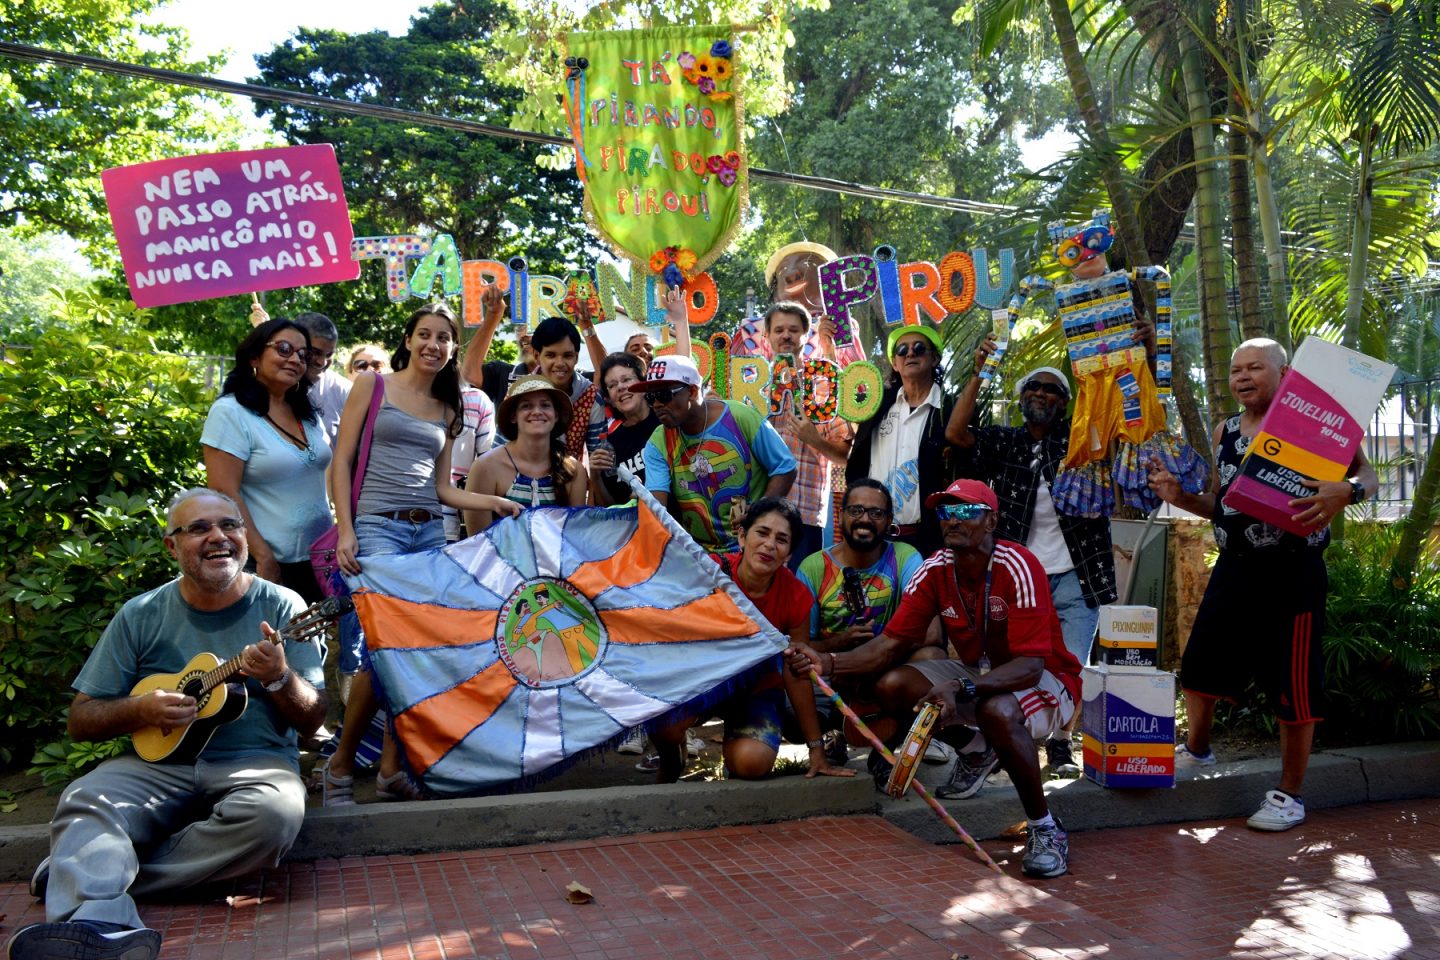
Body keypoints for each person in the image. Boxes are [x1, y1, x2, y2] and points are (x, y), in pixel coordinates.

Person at [6, 489, 326, 960]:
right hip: (157, 765)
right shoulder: (140, 614)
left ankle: (82, 874)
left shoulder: (283, 607)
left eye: (229, 526)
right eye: (199, 529)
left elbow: (313, 718)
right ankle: (100, 929)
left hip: (254, 765)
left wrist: (279, 677)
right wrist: (140, 711)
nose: (218, 537)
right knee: (86, 797)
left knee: (273, 818)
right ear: (171, 547)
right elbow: (81, 718)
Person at [789, 479, 1082, 879]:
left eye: (965, 511)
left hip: (1045, 677)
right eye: (946, 512)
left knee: (997, 709)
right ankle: (977, 750)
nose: (952, 521)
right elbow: (889, 645)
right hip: (980, 673)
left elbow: (1030, 666)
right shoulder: (935, 568)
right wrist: (827, 662)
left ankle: (1045, 827)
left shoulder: (1019, 564)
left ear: (991, 520)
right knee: (892, 685)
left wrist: (963, 687)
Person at [1147, 338, 1376, 832]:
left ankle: (1289, 796)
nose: (1243, 377)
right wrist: (1179, 496)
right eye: (1235, 370)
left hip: (1293, 571)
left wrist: (1349, 491)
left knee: (1293, 683)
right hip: (1234, 567)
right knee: (1200, 666)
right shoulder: (1225, 430)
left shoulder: (1316, 423)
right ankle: (1199, 751)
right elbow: (1223, 503)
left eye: (1255, 367)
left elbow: (1367, 474)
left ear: (1284, 372)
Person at [321, 301, 521, 805]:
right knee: (386, 651)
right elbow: (341, 462)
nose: (434, 345)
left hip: (428, 532)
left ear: (453, 348)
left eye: (444, 338)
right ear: (408, 340)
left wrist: (494, 501)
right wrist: (347, 531)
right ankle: (342, 768)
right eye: (425, 335)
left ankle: (391, 770)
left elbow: (442, 489)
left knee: (416, 653)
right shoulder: (373, 385)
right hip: (376, 531)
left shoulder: (450, 408)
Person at [946, 355, 1121, 777]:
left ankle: (1061, 746)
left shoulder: (1085, 439)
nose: (1040, 394)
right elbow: (955, 432)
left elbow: (1120, 433)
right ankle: (1009, 739)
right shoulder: (1004, 442)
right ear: (1022, 398)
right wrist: (979, 371)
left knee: (1071, 665)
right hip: (1021, 579)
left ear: (1064, 403)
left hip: (1080, 576)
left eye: (1051, 390)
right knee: (1016, 665)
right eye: (1033, 388)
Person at [649, 498, 855, 784]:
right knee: (664, 725)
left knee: (751, 763)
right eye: (762, 533)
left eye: (782, 540)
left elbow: (796, 672)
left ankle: (736, 750)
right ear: (742, 536)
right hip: (703, 681)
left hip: (758, 689)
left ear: (789, 555)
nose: (770, 544)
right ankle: (672, 762)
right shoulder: (709, 573)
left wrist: (816, 751)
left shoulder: (796, 596)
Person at [794, 479, 942, 764]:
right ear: (841, 515)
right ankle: (829, 737)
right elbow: (801, 645)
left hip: (888, 668)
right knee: (792, 691)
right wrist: (839, 643)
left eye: (876, 513)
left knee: (931, 658)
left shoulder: (905, 557)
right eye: (856, 510)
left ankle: (910, 738)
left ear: (888, 522)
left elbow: (931, 634)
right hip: (833, 671)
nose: (865, 519)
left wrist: (878, 652)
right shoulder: (812, 567)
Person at [201, 317, 333, 604]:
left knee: (314, 647)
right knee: (271, 646)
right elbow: (224, 492)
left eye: (303, 354)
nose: (295, 359)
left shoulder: (307, 413)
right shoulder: (230, 412)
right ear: (254, 357)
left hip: (321, 557)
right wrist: (262, 554)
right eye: (284, 348)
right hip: (267, 562)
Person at [634, 354, 797, 552]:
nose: (657, 404)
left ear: (692, 391)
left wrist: (758, 512)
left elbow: (785, 467)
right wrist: (644, 502)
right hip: (699, 557)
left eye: (664, 395)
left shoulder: (740, 417)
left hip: (753, 550)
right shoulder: (657, 443)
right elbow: (657, 506)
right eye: (651, 398)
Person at [754, 301, 857, 567]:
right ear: (767, 336)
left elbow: (848, 456)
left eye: (793, 329)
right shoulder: (752, 385)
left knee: (800, 598)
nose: (785, 336)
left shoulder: (823, 383)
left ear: (805, 335)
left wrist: (814, 439)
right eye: (778, 330)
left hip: (806, 516)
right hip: (758, 514)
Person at [846, 325, 954, 557]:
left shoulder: (950, 408)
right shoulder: (877, 406)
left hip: (927, 539)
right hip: (873, 536)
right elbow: (856, 460)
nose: (910, 354)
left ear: (934, 358)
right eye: (902, 350)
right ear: (895, 364)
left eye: (919, 348)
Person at [464, 375, 588, 533]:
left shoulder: (573, 469)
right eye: (526, 406)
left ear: (556, 415)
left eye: (545, 405)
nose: (537, 412)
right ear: (513, 416)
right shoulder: (485, 467)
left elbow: (575, 535)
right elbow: (477, 543)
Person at [588, 352, 660, 507]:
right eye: (612, 385)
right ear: (609, 399)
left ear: (643, 383)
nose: (620, 387)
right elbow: (609, 509)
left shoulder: (665, 420)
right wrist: (595, 478)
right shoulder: (610, 446)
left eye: (626, 379)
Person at [294, 311, 351, 448]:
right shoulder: (271, 388)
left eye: (329, 354)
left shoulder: (345, 391)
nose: (322, 362)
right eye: (315, 352)